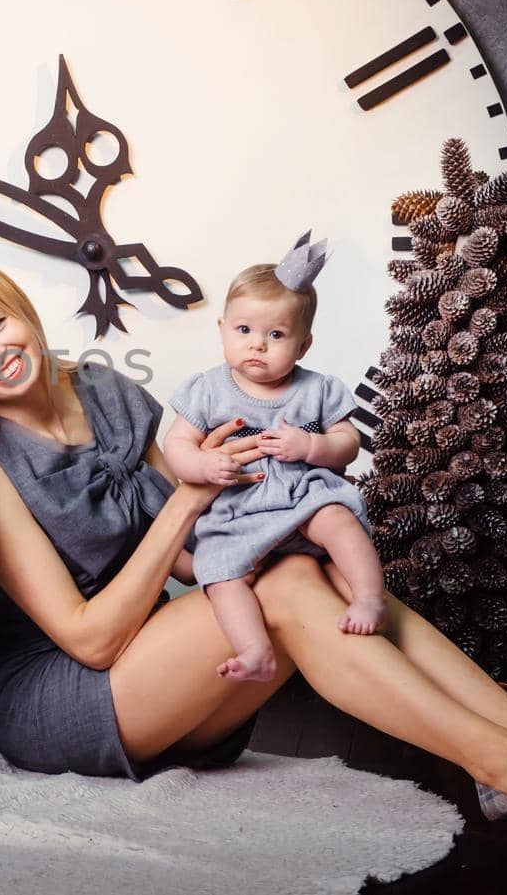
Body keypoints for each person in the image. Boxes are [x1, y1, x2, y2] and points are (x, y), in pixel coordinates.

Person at [0, 255, 507, 856]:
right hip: (65, 691)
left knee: (308, 565)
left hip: (166, 662)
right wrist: (194, 497)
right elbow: (92, 634)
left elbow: (196, 554)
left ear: (18, 309)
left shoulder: (101, 389)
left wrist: (301, 517)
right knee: (286, 581)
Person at [161, 234, 384, 685]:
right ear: (222, 328)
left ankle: (368, 596)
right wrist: (204, 466)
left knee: (337, 519)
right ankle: (254, 649)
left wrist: (313, 448)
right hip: (238, 507)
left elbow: (349, 441)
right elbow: (176, 445)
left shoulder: (315, 389)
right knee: (220, 574)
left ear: (303, 345)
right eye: (244, 331)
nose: (257, 345)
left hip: (300, 494)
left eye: (276, 335)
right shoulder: (207, 389)